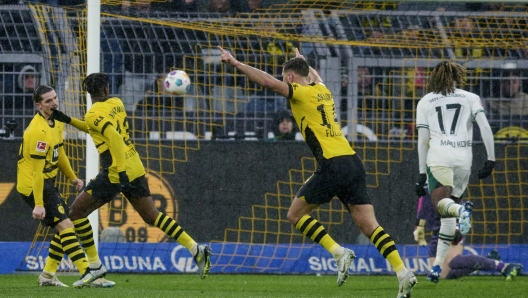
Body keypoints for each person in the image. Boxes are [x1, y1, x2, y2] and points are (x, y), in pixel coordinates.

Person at [217, 46, 417, 297]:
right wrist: (303, 62)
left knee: (294, 215)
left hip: (333, 164)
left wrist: (236, 63)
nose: (282, 80)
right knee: (369, 225)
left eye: (284, 76)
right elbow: (316, 77)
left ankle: (338, 252)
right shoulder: (322, 90)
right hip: (353, 162)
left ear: (290, 77)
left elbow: (268, 82)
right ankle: (403, 272)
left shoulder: (299, 93)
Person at [51, 73, 211, 280]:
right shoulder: (116, 103)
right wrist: (69, 120)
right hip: (134, 165)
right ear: (107, 89)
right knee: (151, 216)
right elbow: (97, 128)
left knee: (76, 212)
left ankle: (95, 266)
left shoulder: (93, 114)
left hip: (115, 171)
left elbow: (114, 138)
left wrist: (119, 171)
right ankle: (195, 248)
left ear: (87, 92)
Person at [16, 85, 112, 288]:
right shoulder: (37, 131)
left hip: (47, 182)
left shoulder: (56, 120)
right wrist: (39, 204)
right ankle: (88, 273)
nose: (54, 103)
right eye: (48, 101)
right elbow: (36, 172)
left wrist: (73, 178)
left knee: (63, 228)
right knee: (67, 226)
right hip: (34, 185)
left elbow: (59, 154)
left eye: (55, 98)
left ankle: (48, 276)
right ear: (39, 105)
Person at [415, 61, 496, 283]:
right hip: (463, 159)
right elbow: (485, 127)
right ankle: (437, 268)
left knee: (442, 207)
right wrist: (491, 158)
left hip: (439, 157)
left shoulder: (426, 101)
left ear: (435, 77)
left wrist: (422, 172)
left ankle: (462, 212)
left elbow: (423, 140)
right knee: (447, 220)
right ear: (456, 76)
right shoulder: (470, 97)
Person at [413, 187, 523, 280]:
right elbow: (423, 205)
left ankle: (504, 267)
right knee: (443, 275)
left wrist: (457, 226)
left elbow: (456, 202)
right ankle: (489, 261)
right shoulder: (427, 182)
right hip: (436, 229)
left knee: (452, 261)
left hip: (450, 225)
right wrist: (419, 226)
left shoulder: (444, 177)